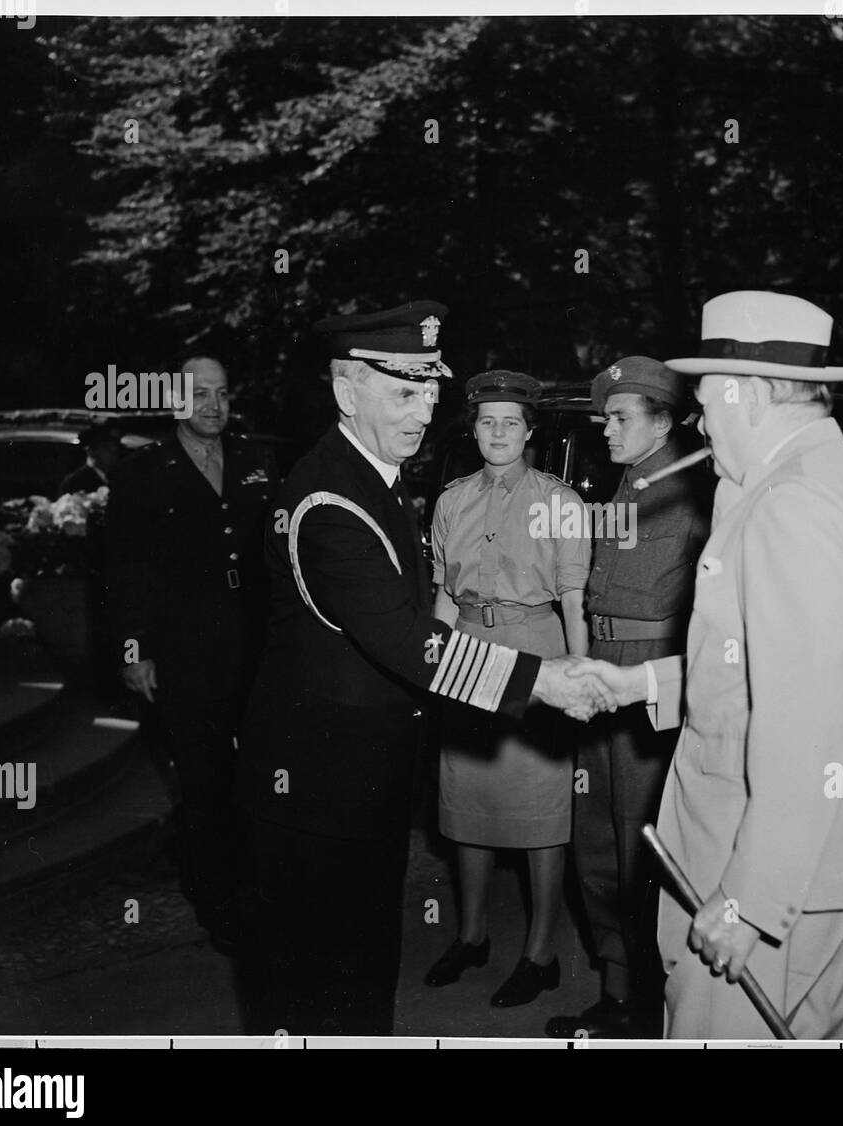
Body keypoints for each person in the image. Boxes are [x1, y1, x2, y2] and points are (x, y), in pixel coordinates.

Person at [232, 302, 610, 1036]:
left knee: (364, 973)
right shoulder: (328, 501)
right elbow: (415, 642)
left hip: (355, 778)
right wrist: (546, 679)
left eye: (430, 391)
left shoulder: (374, 476)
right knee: (320, 988)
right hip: (314, 792)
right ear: (347, 393)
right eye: (404, 392)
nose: (425, 410)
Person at [573, 291, 843, 1039]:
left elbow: (804, 723)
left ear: (755, 394)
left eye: (706, 400)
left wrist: (751, 903)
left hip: (772, 871)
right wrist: (644, 683)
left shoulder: (791, 503)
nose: (699, 420)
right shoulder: (829, 478)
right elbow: (781, 674)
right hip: (832, 859)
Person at [545, 357, 710, 1039]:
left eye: (620, 418)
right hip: (606, 665)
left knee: (646, 840)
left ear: (663, 420)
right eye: (604, 418)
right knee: (599, 840)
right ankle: (617, 992)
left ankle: (653, 1004)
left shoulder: (696, 491)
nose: (605, 430)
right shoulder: (627, 484)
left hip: (652, 674)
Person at [423, 371, 591, 1007]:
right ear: (473, 429)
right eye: (487, 421)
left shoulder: (562, 501)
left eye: (510, 423)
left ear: (529, 431)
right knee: (467, 800)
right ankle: (470, 936)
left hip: (537, 651)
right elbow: (443, 592)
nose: (498, 432)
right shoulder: (451, 500)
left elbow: (573, 601)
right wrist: (428, 665)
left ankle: (541, 952)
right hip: (466, 649)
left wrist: (578, 681)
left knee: (540, 808)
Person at [105, 356, 279, 951]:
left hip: (254, 644)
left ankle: (258, 886)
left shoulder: (257, 461)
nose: (213, 405)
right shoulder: (141, 472)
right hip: (184, 649)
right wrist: (135, 653)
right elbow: (122, 571)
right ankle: (217, 901)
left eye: (222, 393)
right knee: (202, 778)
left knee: (256, 773)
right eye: (200, 394)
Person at [61, 422, 122, 494]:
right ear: (91, 451)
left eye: (115, 447)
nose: (113, 452)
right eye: (106, 448)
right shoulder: (75, 482)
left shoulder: (118, 478)